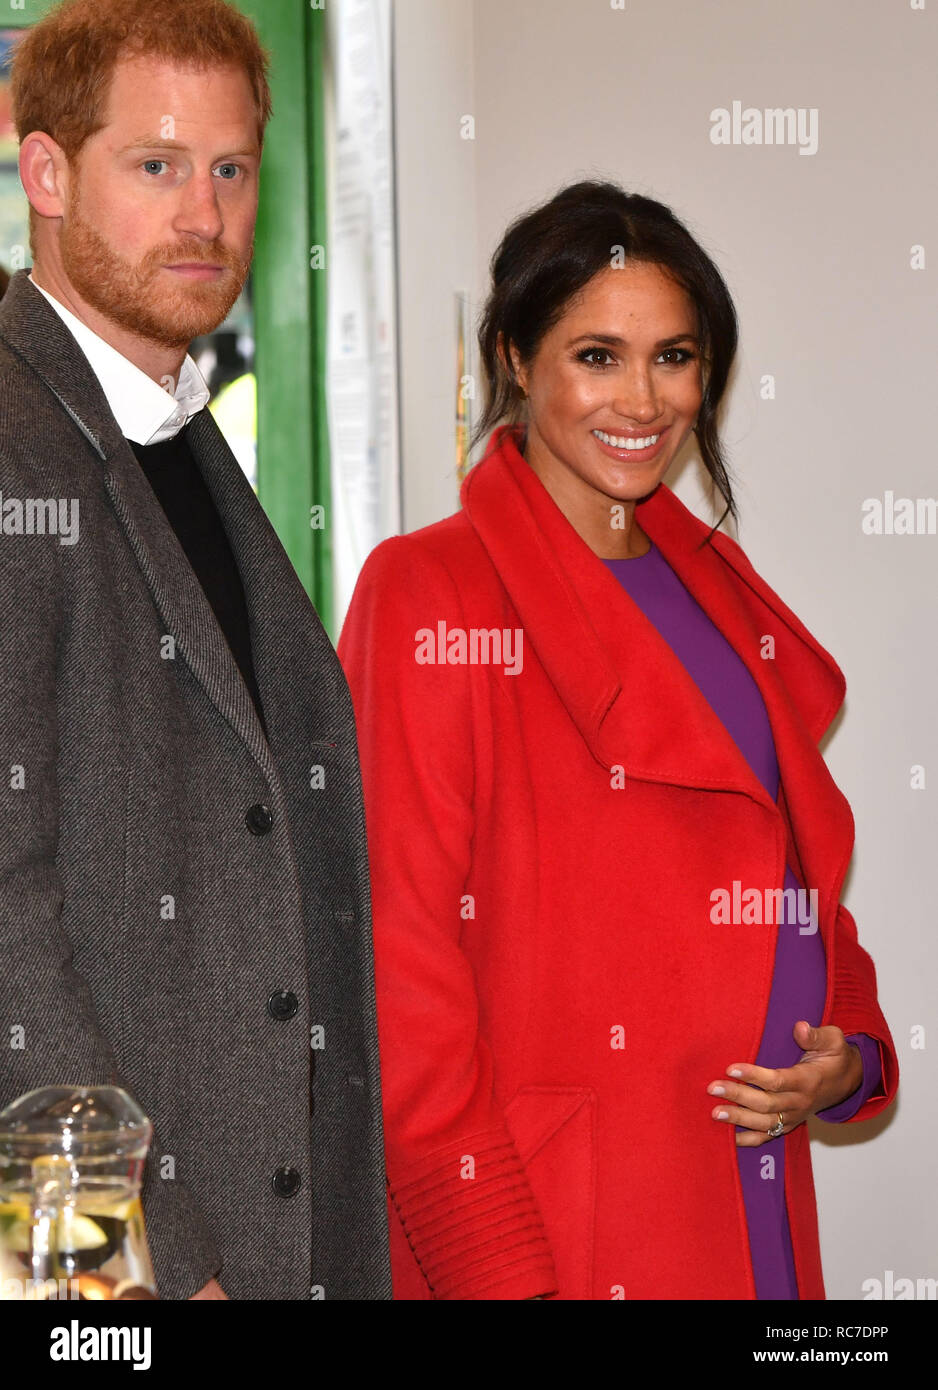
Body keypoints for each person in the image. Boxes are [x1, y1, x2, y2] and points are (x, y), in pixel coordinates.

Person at [337, 180, 899, 1300]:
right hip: (566, 1225)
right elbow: (395, 964)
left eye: (674, 356)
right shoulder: (429, 590)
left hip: (745, 1192)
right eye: (597, 354)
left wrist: (843, 1043)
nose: (643, 398)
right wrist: (495, 1263)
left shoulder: (716, 593)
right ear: (513, 355)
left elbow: (783, 867)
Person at [0, 0, 390, 1300]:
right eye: (156, 165)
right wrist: (146, 1257)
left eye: (230, 169)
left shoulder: (172, 416)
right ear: (45, 169)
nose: (205, 215)